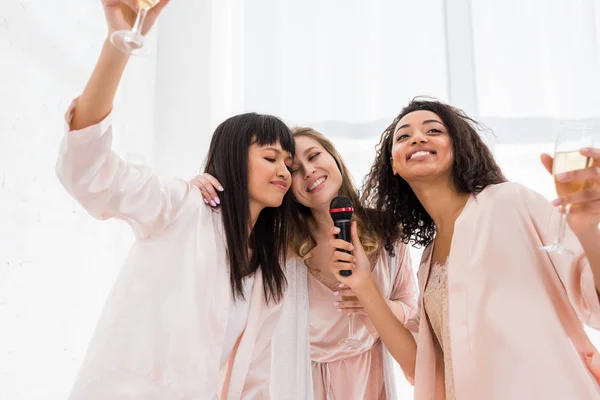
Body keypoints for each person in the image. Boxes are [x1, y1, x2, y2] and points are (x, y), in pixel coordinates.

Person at [56, 1, 295, 398]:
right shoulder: (182, 206)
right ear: (234, 158)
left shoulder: (270, 275)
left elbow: (253, 383)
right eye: (271, 157)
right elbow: (88, 171)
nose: (284, 171)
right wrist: (117, 45)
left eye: (289, 163)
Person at [360, 97, 600, 399]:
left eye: (433, 130)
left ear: (458, 146)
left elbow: (593, 298)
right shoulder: (426, 261)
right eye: (403, 136)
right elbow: (426, 369)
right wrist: (362, 283)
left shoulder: (510, 202)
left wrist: (589, 231)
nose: (417, 137)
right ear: (393, 164)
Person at [193, 127, 418, 399]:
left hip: (370, 379)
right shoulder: (278, 244)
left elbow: (411, 309)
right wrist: (199, 194)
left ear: (334, 158)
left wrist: (375, 303)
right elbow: (216, 261)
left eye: (314, 156)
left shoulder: (388, 230)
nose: (309, 170)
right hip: (300, 381)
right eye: (294, 169)